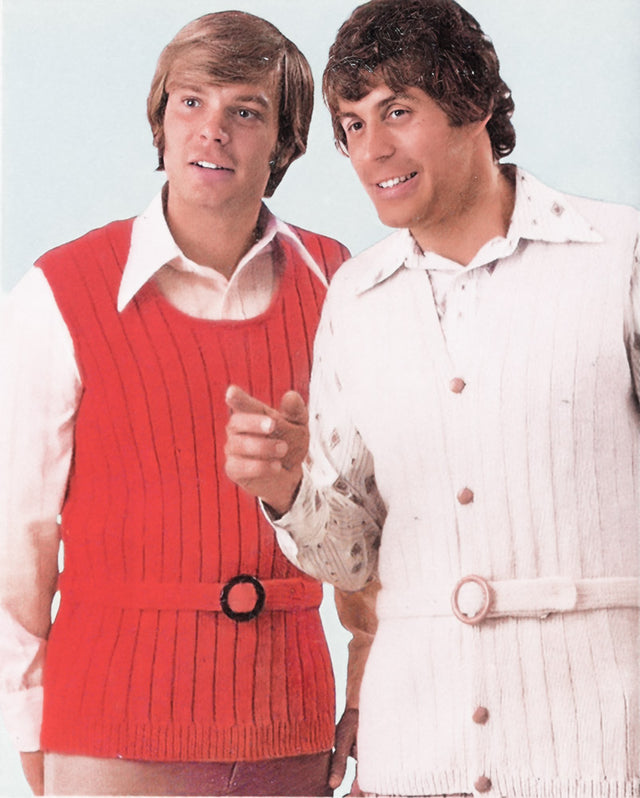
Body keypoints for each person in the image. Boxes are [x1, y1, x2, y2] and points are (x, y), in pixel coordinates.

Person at [224, 0, 640, 796]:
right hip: (416, 755)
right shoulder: (356, 298)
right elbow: (352, 555)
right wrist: (284, 488)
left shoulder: (617, 255)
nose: (371, 151)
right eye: (352, 125)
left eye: (397, 112)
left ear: (473, 104)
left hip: (595, 756)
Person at [0, 10, 362, 796]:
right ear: (160, 122)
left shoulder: (341, 282)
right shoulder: (59, 293)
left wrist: (366, 682)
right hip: (111, 733)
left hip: (290, 730)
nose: (212, 131)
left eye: (246, 111)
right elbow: (19, 534)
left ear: (286, 142)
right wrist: (30, 726)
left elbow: (377, 511)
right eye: (190, 102)